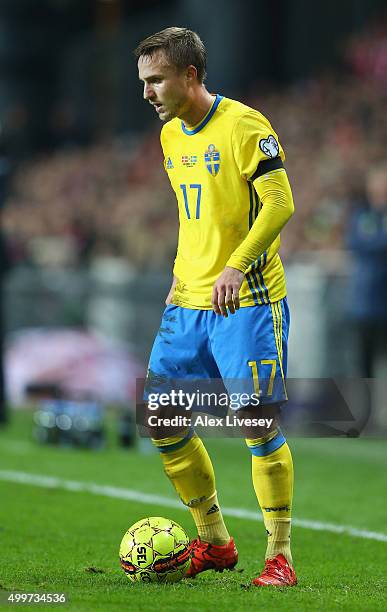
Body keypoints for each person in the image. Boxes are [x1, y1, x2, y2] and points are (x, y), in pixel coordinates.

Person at [135, 27, 296, 587]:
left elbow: (280, 203)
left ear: (190, 76)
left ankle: (280, 559)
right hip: (189, 305)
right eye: (144, 82)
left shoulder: (245, 125)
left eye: (156, 81)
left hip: (247, 303)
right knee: (161, 417)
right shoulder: (169, 137)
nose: (148, 93)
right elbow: (197, 217)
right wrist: (183, 276)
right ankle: (215, 541)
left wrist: (237, 264)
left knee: (257, 426)